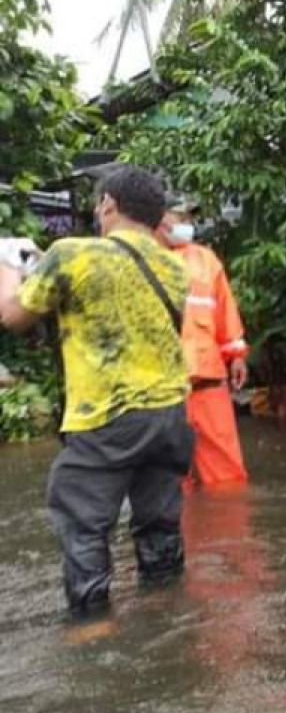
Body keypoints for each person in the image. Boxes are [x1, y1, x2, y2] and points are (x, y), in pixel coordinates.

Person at [0, 166, 194, 616]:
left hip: (109, 413)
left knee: (83, 520)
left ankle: (91, 631)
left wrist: (9, 264)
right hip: (168, 415)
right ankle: (165, 606)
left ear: (108, 203)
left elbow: (12, 315)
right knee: (159, 523)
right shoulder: (174, 265)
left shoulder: (72, 255)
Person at [158, 195, 251, 487]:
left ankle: (228, 530)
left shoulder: (205, 259)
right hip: (163, 387)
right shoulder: (145, 258)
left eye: (189, 219)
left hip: (207, 380)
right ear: (159, 219)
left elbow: (224, 308)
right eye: (180, 217)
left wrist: (236, 353)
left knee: (227, 476)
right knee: (169, 479)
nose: (187, 224)